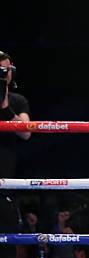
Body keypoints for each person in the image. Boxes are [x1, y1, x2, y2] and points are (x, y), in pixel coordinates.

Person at [0, 50, 31, 178]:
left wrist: (6, 109)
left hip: (5, 162)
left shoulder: (18, 100)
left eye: (8, 70)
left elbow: (26, 133)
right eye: (1, 70)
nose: (5, 74)